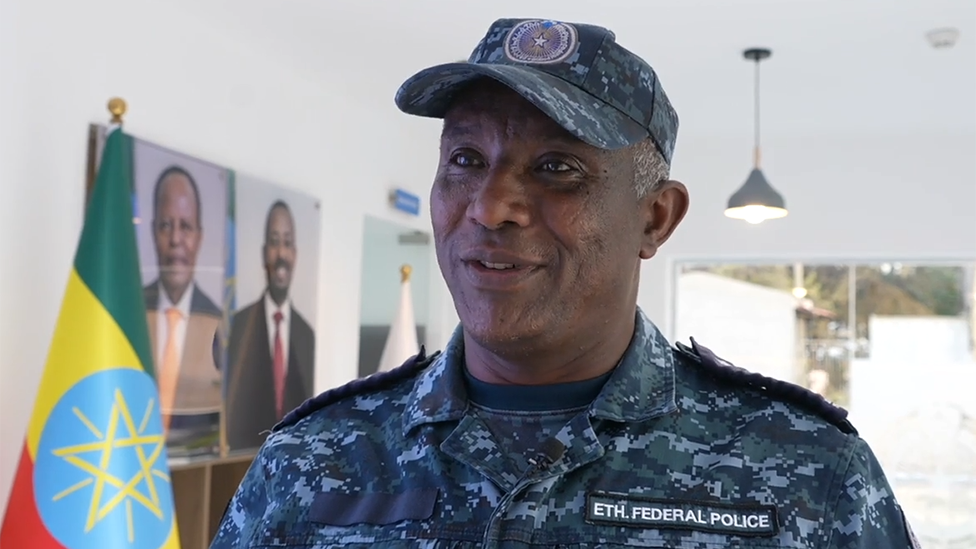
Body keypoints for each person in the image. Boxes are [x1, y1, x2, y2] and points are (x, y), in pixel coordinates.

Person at [211, 18, 921, 548]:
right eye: (464, 158)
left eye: (556, 168)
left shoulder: (813, 473)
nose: (490, 207)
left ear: (655, 217)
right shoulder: (310, 460)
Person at [225, 200, 315, 451]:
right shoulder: (240, 325)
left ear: (295, 253)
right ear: (265, 252)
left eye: (287, 243)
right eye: (274, 242)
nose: (281, 254)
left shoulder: (307, 335)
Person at [143, 165, 222, 451]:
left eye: (185, 227)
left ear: (199, 236)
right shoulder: (129, 315)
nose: (176, 240)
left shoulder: (219, 324)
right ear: (153, 232)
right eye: (166, 225)